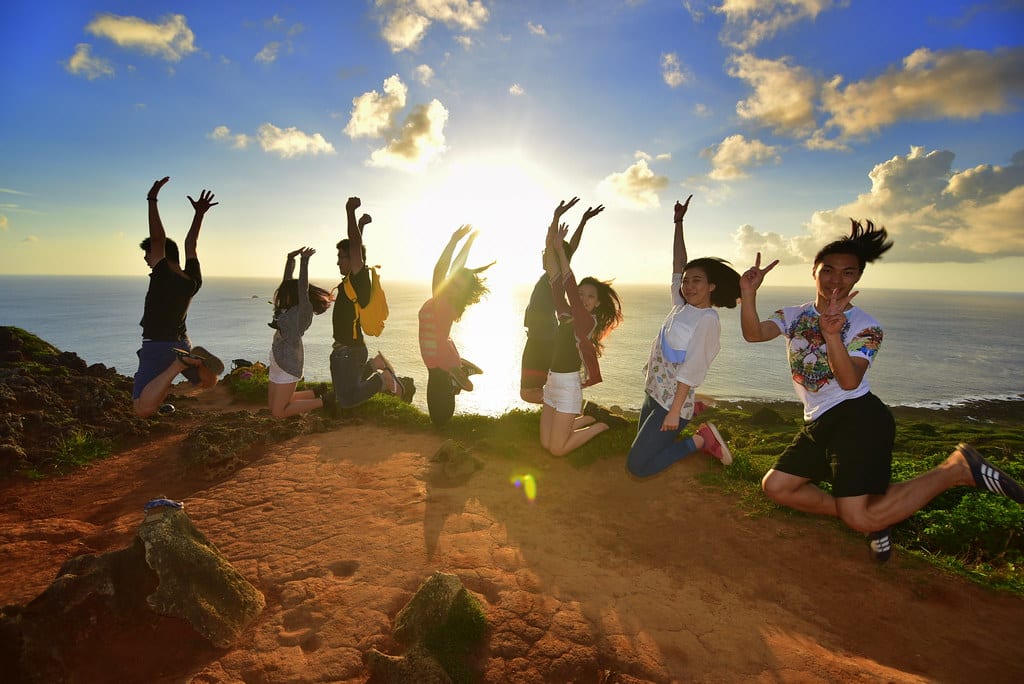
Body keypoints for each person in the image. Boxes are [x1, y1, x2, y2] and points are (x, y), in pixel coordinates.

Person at [740, 219, 1024, 562]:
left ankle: (957, 468)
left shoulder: (867, 325)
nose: (836, 279)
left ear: (857, 278)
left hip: (858, 418)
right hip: (819, 420)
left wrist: (832, 334)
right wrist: (748, 294)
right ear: (813, 271)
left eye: (847, 273)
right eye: (828, 270)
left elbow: (848, 381)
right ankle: (881, 515)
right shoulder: (794, 314)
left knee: (858, 516)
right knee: (777, 487)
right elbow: (754, 333)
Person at [626, 195, 741, 478]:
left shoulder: (707, 320)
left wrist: (675, 411)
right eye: (686, 280)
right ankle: (692, 407)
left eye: (696, 280)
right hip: (653, 390)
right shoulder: (681, 306)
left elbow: (693, 369)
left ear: (712, 286)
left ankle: (702, 439)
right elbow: (679, 261)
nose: (688, 285)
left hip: (670, 401)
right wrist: (678, 222)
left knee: (637, 466)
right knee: (643, 450)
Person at [132, 176, 224, 418]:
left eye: (147, 254)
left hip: (156, 345)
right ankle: (191, 361)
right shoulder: (191, 281)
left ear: (161, 254)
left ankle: (179, 365)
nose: (146, 260)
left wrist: (152, 199)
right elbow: (191, 243)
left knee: (142, 408)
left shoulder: (162, 274)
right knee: (207, 383)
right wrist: (199, 214)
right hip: (181, 343)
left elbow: (158, 239)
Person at [539, 198, 623, 457]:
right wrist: (554, 221)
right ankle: (587, 418)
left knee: (556, 449)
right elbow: (553, 273)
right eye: (581, 294)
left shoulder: (588, 321)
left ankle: (603, 424)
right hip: (552, 383)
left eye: (590, 296)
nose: (583, 298)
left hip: (567, 387)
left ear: (596, 304)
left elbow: (567, 279)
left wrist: (561, 250)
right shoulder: (565, 313)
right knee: (545, 443)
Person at [330, 196, 411, 408]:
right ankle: (377, 364)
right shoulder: (353, 280)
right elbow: (357, 248)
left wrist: (350, 211)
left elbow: (355, 246)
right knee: (344, 391)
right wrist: (360, 226)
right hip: (348, 350)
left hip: (349, 351)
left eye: (341, 257)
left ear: (352, 260)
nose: (338, 261)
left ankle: (382, 379)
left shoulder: (359, 279)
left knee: (346, 400)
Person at [520, 204, 604, 404]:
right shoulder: (551, 276)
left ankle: (567, 403)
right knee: (539, 387)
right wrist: (583, 221)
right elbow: (570, 247)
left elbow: (555, 246)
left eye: (547, 253)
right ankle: (564, 406)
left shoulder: (552, 277)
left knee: (528, 392)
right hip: (545, 337)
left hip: (541, 340)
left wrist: (556, 217)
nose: (544, 255)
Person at [419, 225, 494, 426]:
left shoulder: (444, 300)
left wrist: (454, 241)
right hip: (440, 356)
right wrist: (467, 242)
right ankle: (457, 370)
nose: (452, 280)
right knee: (439, 416)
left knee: (440, 417)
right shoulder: (447, 299)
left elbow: (441, 269)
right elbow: (454, 269)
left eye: (458, 282)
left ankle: (456, 374)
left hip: (439, 359)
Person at [267, 247, 335, 418]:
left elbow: (302, 289)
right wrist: (290, 260)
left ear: (293, 294)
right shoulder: (286, 308)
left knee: (278, 411)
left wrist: (304, 261)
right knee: (272, 404)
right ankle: (316, 392)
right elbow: (287, 281)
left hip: (289, 363)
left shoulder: (303, 312)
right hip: (277, 358)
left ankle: (326, 401)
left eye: (285, 293)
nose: (281, 297)